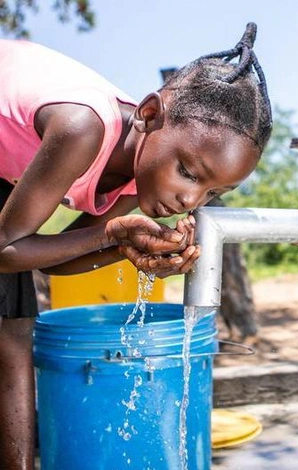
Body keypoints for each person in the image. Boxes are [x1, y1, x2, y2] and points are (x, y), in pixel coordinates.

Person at [0, 22, 272, 469]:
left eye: (212, 194)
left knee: (13, 325)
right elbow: (7, 251)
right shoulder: (81, 127)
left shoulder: (136, 171)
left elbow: (52, 260)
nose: (190, 200)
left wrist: (126, 249)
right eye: (188, 171)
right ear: (148, 114)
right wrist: (111, 234)